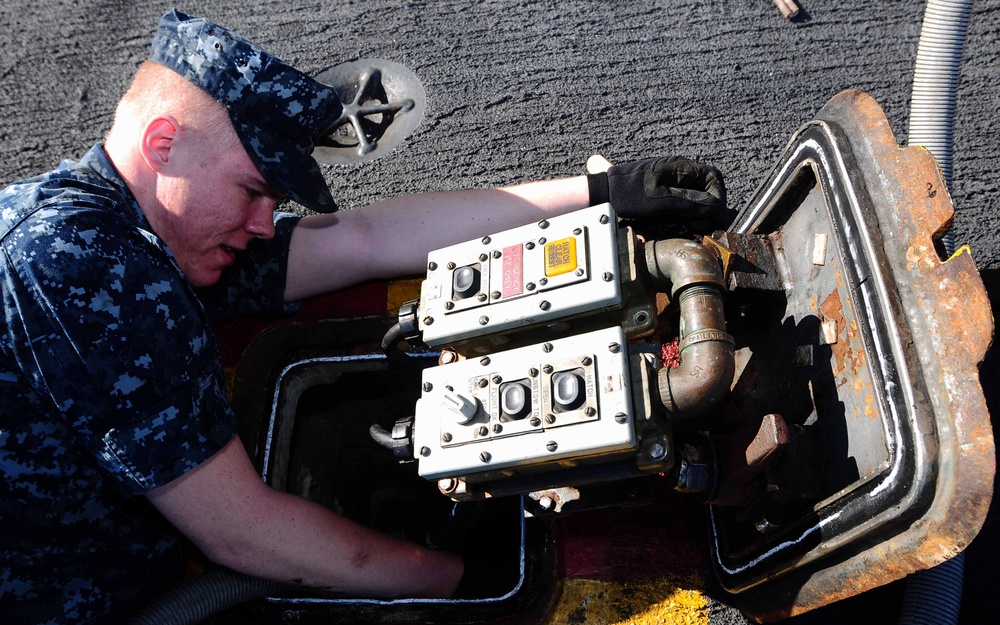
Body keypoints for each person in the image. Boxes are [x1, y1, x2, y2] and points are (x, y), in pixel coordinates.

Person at [0, 8, 726, 624]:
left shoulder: (131, 226)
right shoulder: (76, 259)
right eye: (254, 189)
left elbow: (360, 239)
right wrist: (461, 582)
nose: (264, 221)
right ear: (164, 146)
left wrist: (601, 194)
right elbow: (243, 536)